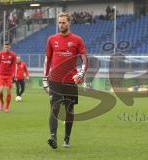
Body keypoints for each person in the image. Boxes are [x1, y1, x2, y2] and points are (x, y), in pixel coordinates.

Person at [43, 12, 88, 149]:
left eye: (64, 22)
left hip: (70, 81)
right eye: (59, 22)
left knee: (69, 110)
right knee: (54, 109)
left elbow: (85, 60)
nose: (61, 25)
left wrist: (81, 73)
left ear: (69, 23)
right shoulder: (51, 39)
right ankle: (53, 137)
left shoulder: (77, 40)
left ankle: (67, 138)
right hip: (55, 80)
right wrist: (45, 78)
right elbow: (48, 60)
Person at [0, 41, 17, 112]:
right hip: (1, 75)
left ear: (10, 47)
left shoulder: (13, 55)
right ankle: (2, 103)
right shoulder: (0, 54)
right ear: (3, 47)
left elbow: (14, 66)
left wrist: (14, 75)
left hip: (9, 76)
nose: (6, 48)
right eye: (5, 47)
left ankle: (7, 107)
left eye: (8, 47)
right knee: (0, 92)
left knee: (9, 92)